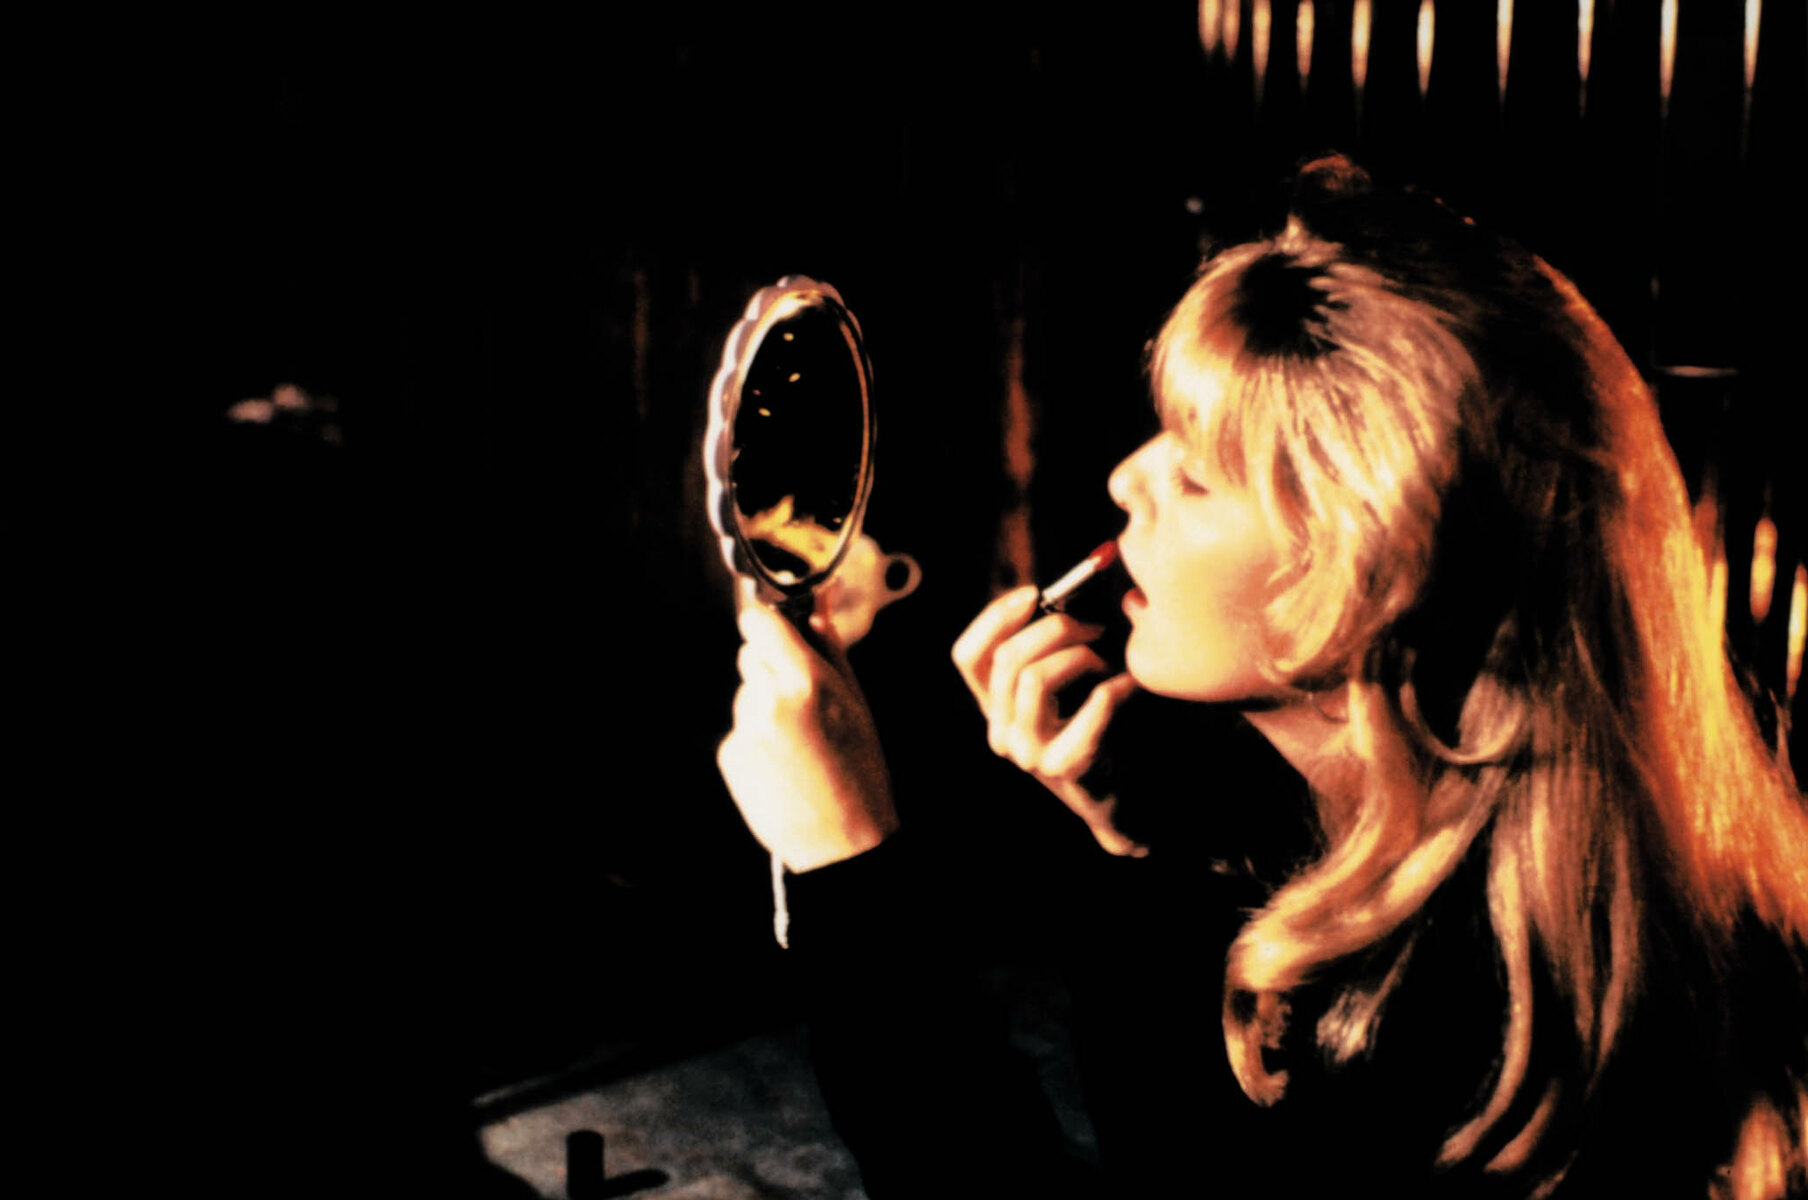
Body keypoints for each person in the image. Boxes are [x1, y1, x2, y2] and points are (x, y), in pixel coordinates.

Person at [716, 156, 1808, 1198]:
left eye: (1196, 476)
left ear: (1361, 578)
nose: (1125, 478)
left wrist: (849, 876)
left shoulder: (1457, 1022)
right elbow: (1179, 1162)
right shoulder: (1437, 865)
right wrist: (1136, 847)